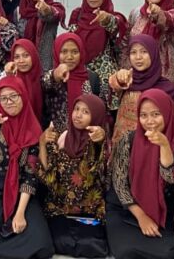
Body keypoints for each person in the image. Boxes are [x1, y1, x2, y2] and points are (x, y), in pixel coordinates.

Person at [0, 77, 54, 259]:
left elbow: (30, 175)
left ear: (23, 96)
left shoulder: (33, 129)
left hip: (21, 191)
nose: (9, 102)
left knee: (42, 245)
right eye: (4, 98)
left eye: (14, 96)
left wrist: (20, 213)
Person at [105, 89, 174, 259]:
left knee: (168, 254)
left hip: (158, 208)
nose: (149, 121)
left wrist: (164, 146)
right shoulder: (128, 141)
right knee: (124, 252)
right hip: (125, 207)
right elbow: (119, 184)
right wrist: (141, 216)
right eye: (143, 115)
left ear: (167, 113)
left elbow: (170, 177)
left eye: (156, 114)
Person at [37, 94, 110, 258]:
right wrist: (42, 142)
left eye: (86, 112)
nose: (78, 115)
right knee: (53, 241)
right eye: (77, 109)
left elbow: (100, 167)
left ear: (96, 116)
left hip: (89, 210)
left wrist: (101, 140)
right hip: (59, 208)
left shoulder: (97, 141)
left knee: (93, 246)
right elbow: (48, 176)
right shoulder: (62, 137)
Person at [68, 0, 127, 113]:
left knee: (104, 116)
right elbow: (71, 40)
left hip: (105, 78)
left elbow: (115, 26)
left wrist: (105, 19)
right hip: (81, 73)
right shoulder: (77, 15)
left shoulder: (113, 16)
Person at [109, 34, 174, 140]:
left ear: (153, 54)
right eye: (133, 52)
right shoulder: (127, 80)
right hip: (124, 143)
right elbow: (113, 86)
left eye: (144, 51)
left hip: (153, 143)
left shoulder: (168, 89)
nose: (138, 57)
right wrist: (119, 77)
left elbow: (173, 125)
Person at [41, 32, 100, 132]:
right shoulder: (52, 77)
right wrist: (55, 75)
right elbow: (44, 85)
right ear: (56, 53)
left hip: (84, 136)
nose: (69, 57)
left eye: (75, 52)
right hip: (57, 137)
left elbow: (98, 109)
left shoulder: (91, 78)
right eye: (64, 52)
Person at [15, 0, 65, 72]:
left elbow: (54, 14)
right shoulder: (21, 10)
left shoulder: (55, 7)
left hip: (44, 69)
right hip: (23, 66)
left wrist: (46, 9)